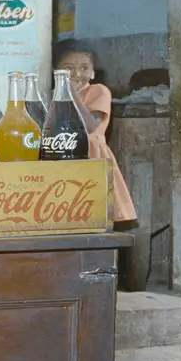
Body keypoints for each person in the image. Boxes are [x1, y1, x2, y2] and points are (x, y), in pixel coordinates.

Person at [55, 41, 137, 225]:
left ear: (93, 72)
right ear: (56, 71)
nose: (77, 74)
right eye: (68, 68)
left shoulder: (98, 91)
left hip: (92, 158)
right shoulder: (53, 96)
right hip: (64, 161)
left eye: (84, 68)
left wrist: (71, 93)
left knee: (94, 213)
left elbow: (90, 125)